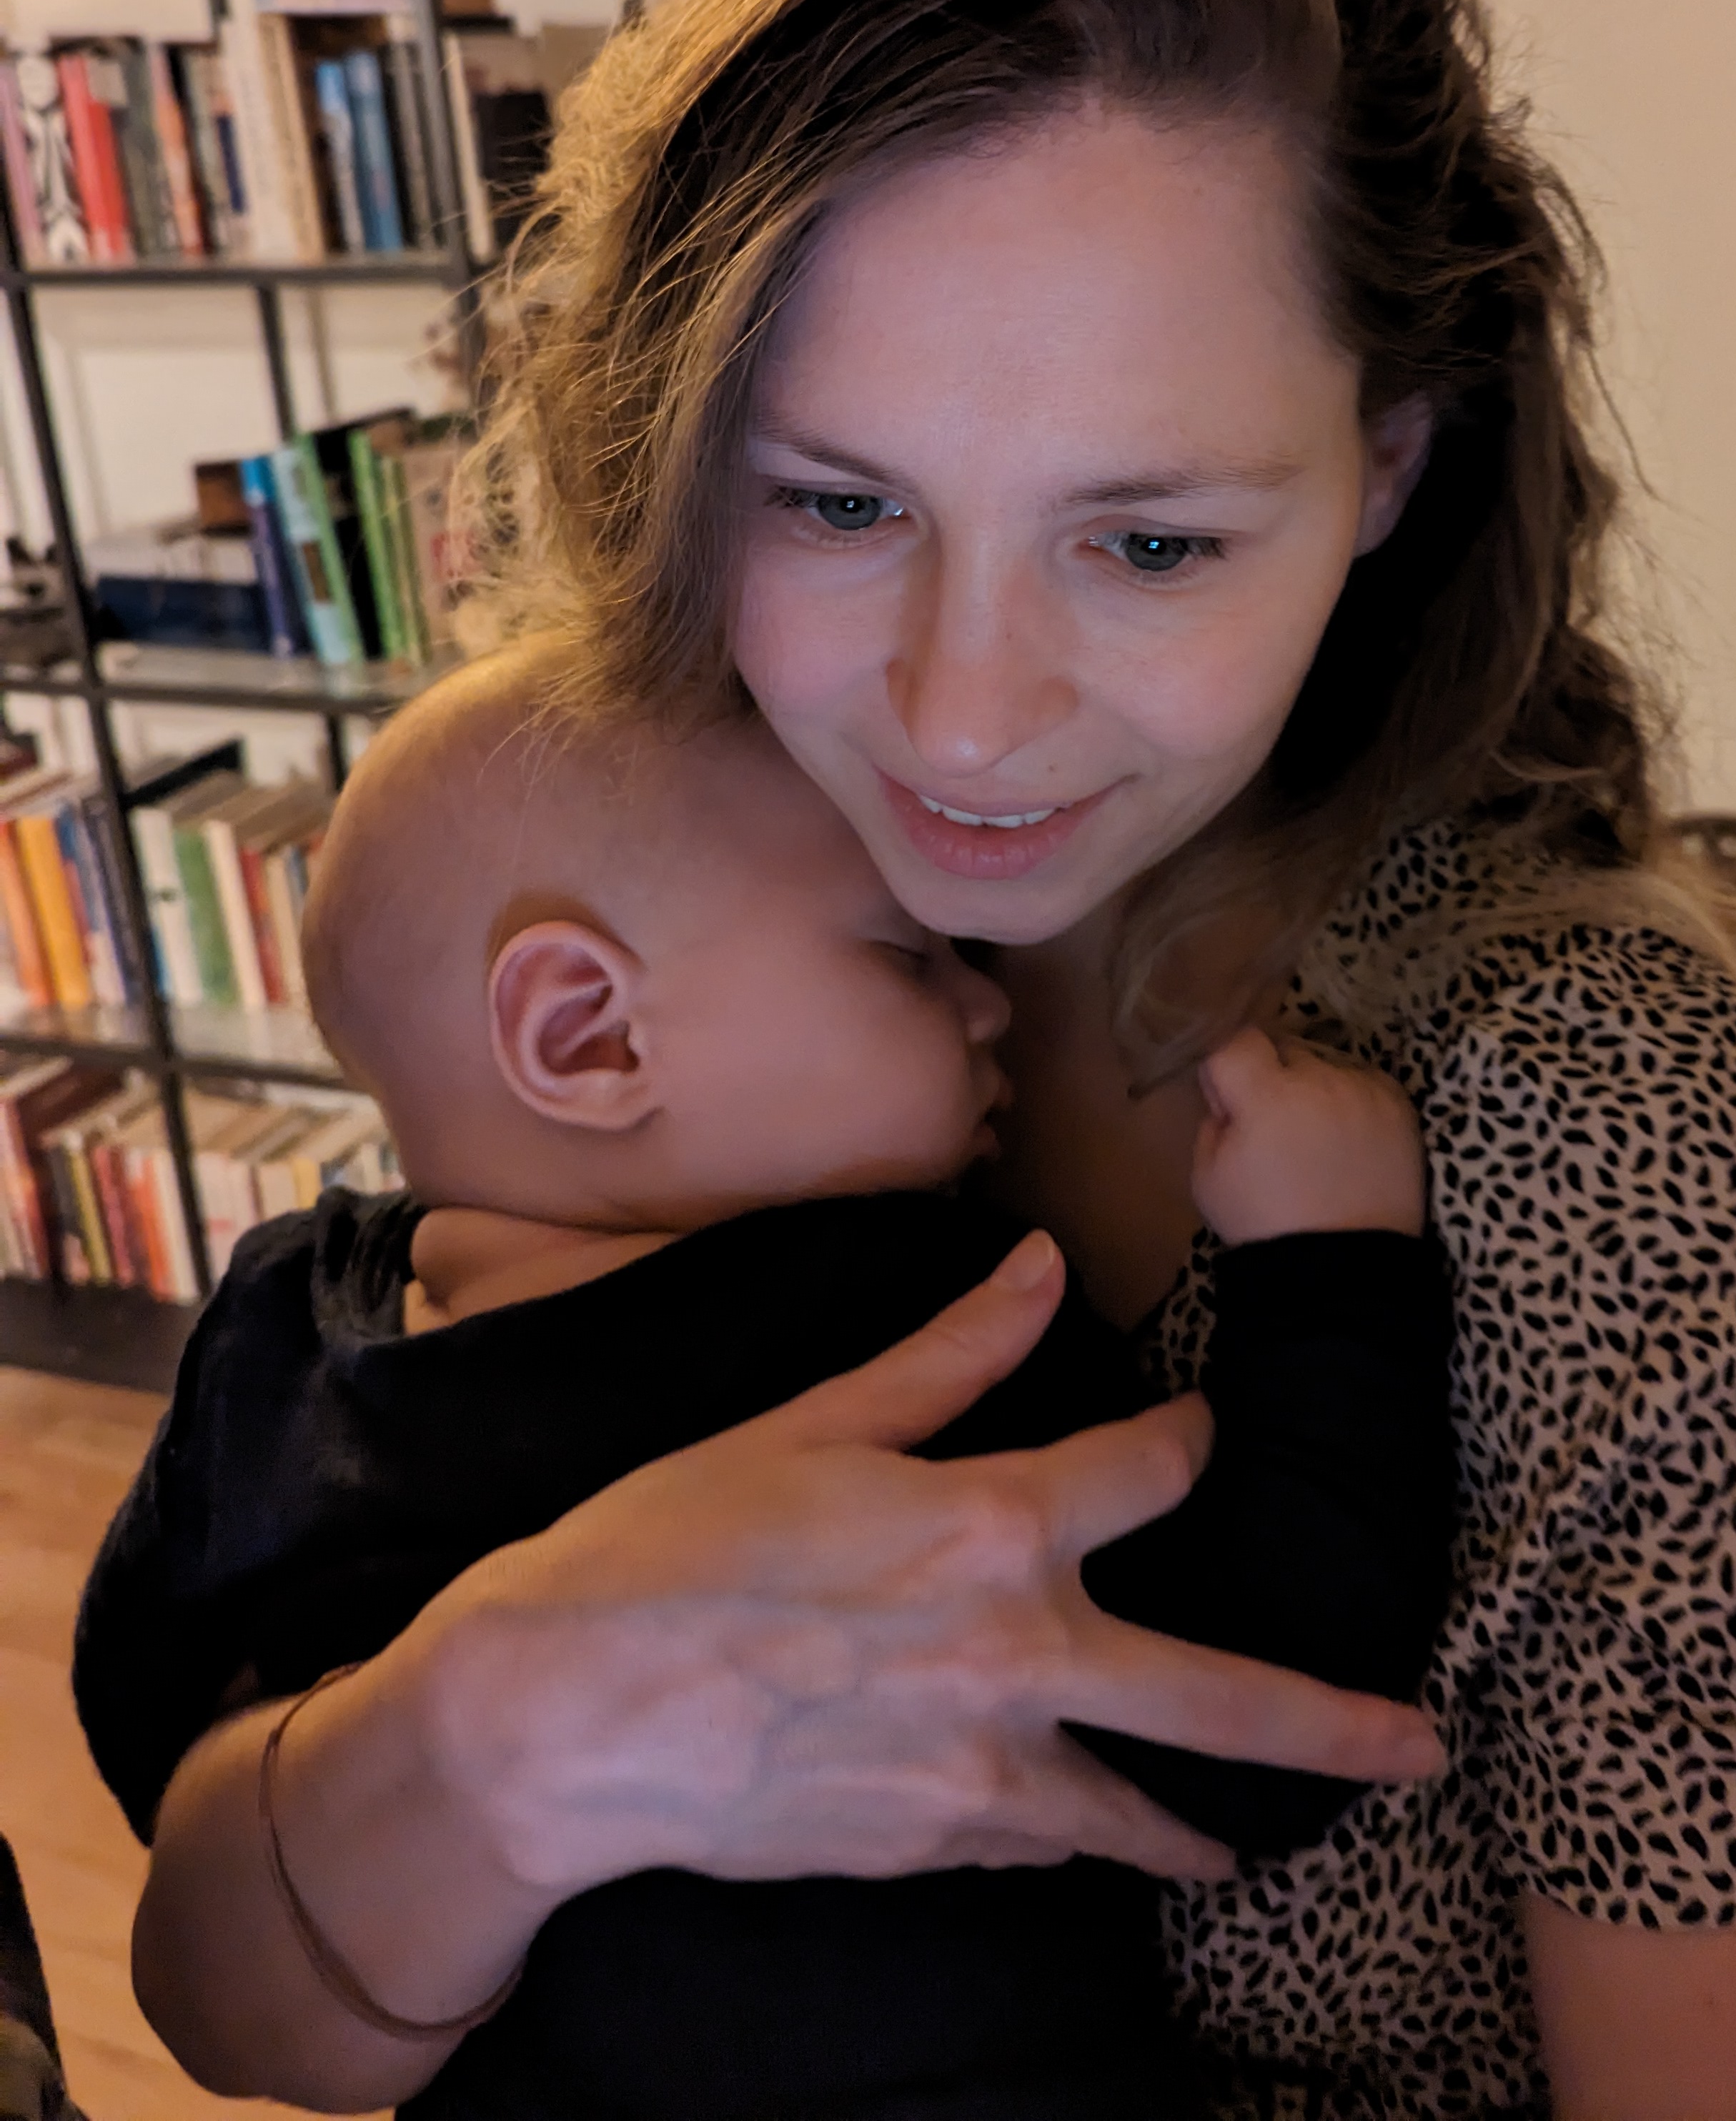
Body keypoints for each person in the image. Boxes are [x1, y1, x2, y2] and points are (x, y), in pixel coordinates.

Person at [121, 0, 1736, 2120]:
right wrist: (496, 1737)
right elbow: (221, 1996)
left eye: (1149, 542)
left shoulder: (1586, 1120)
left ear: (1386, 468)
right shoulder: (595, 900)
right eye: (837, 505)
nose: (962, 720)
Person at [76, 644, 1454, 2119]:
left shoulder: (277, 1337)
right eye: (910, 955)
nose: (990, 1006)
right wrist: (1332, 1266)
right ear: (588, 1033)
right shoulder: (915, 1321)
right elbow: (1260, 1720)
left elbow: (142, 1717)